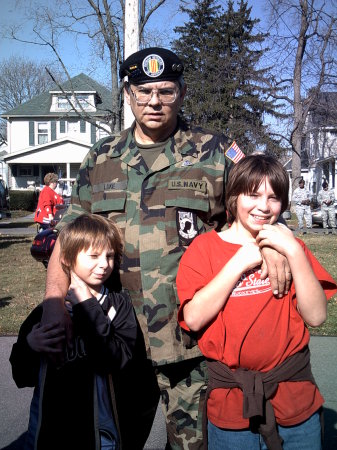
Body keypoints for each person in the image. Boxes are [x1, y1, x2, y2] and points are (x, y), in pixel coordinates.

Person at [40, 48, 292, 449]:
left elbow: (262, 205)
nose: (154, 101)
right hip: (114, 342)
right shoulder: (101, 157)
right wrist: (55, 301)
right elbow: (67, 238)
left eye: (166, 91)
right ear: (128, 95)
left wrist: (277, 246)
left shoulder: (216, 152)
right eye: (143, 91)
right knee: (112, 442)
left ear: (182, 92)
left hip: (191, 346)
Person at [176, 154, 337, 450]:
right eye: (253, 195)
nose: (264, 206)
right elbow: (194, 318)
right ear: (234, 196)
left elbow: (315, 316)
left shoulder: (291, 247)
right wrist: (238, 262)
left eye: (274, 198)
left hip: (294, 400)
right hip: (231, 407)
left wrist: (293, 251)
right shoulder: (204, 248)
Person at [9, 214, 138, 450]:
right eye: (94, 256)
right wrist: (30, 346)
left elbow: (115, 361)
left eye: (109, 256)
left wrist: (88, 307)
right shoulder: (46, 314)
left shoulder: (119, 306)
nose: (104, 264)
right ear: (66, 259)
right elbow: (21, 377)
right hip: (50, 437)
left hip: (103, 438)